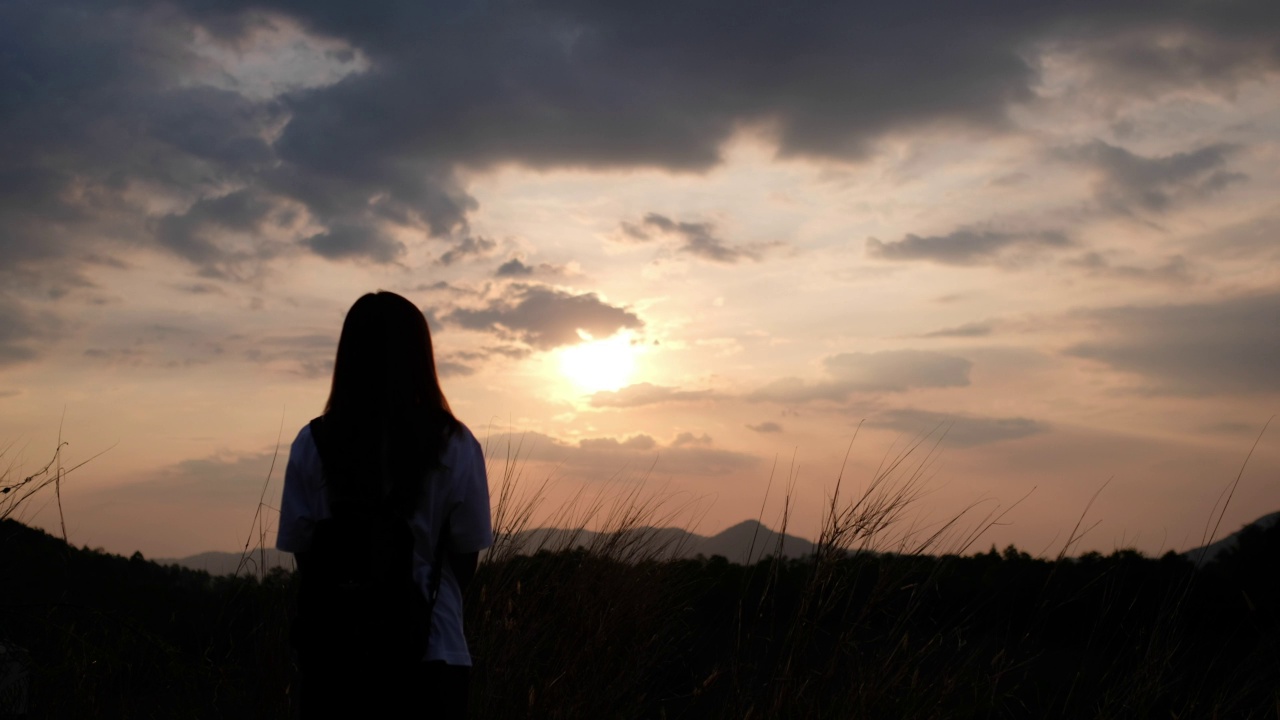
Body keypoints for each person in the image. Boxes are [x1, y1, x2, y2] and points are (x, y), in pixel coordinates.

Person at [276, 291, 492, 718]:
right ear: (420, 357)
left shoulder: (313, 443)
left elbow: (307, 551)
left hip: (336, 659)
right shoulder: (456, 443)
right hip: (434, 653)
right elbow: (467, 553)